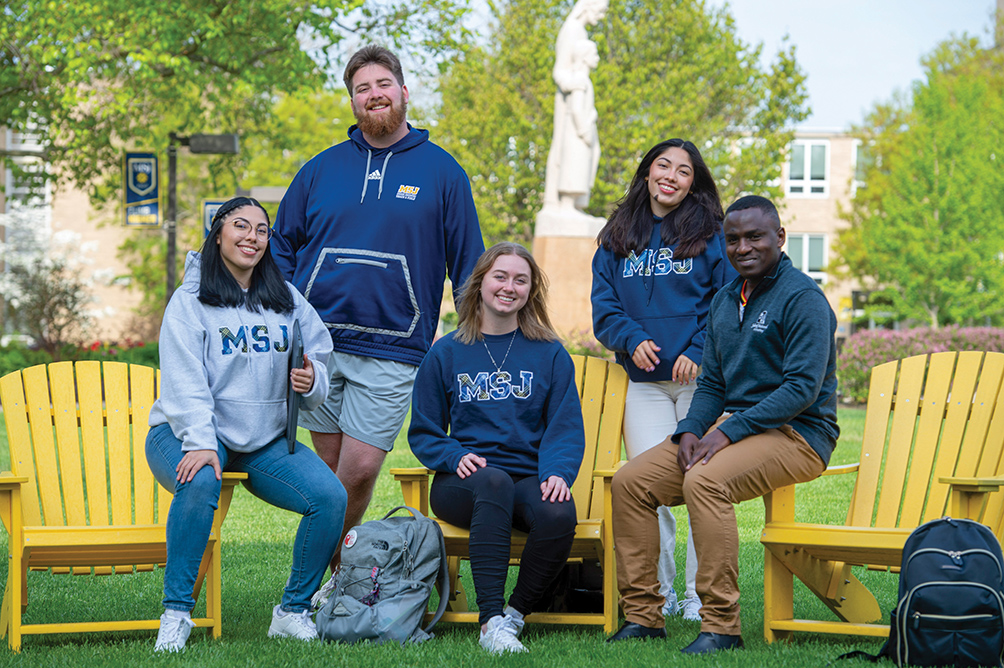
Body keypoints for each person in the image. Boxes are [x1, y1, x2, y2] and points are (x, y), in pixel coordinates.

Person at [270, 45, 484, 558]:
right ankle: (328, 584)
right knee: (326, 476)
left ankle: (313, 578)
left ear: (404, 92)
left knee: (360, 470)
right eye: (361, 89)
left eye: (383, 85)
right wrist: (285, 314)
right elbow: (280, 244)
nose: (374, 96)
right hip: (317, 346)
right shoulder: (319, 170)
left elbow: (469, 262)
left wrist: (476, 339)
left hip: (395, 346)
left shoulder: (444, 173)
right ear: (352, 102)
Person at [606, 195, 838, 655]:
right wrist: (691, 430)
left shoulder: (803, 298)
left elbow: (800, 390)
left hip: (799, 434)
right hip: (736, 428)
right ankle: (643, 615)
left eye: (754, 237)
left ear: (779, 238)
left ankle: (720, 625)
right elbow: (711, 382)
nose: (743, 247)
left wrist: (725, 432)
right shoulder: (726, 299)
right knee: (631, 481)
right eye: (733, 240)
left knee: (705, 480)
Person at [147, 197, 347, 652]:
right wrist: (200, 441)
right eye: (241, 226)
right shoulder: (189, 301)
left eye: (261, 230)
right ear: (218, 233)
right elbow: (183, 381)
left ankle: (292, 611)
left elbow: (319, 354)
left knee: (330, 497)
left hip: (261, 439)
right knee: (199, 480)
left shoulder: (286, 298)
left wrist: (311, 378)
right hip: (184, 431)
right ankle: (176, 613)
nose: (251, 237)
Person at [408, 243, 586, 655]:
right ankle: (489, 620)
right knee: (493, 482)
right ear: (481, 283)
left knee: (558, 511)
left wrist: (557, 472)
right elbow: (425, 430)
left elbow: (564, 425)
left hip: (525, 477)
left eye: (520, 280)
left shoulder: (549, 353)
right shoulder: (447, 352)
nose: (509, 287)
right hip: (463, 480)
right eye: (500, 277)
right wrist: (453, 456)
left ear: (531, 290)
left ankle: (514, 615)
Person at [592, 138, 737, 622]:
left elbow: (726, 300)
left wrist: (698, 349)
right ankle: (659, 592)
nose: (671, 176)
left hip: (702, 384)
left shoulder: (711, 232)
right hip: (644, 384)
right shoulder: (617, 234)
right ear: (647, 172)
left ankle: (701, 596)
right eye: (663, 166)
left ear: (694, 182)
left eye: (683, 171)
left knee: (701, 480)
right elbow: (604, 308)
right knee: (647, 489)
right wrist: (631, 338)